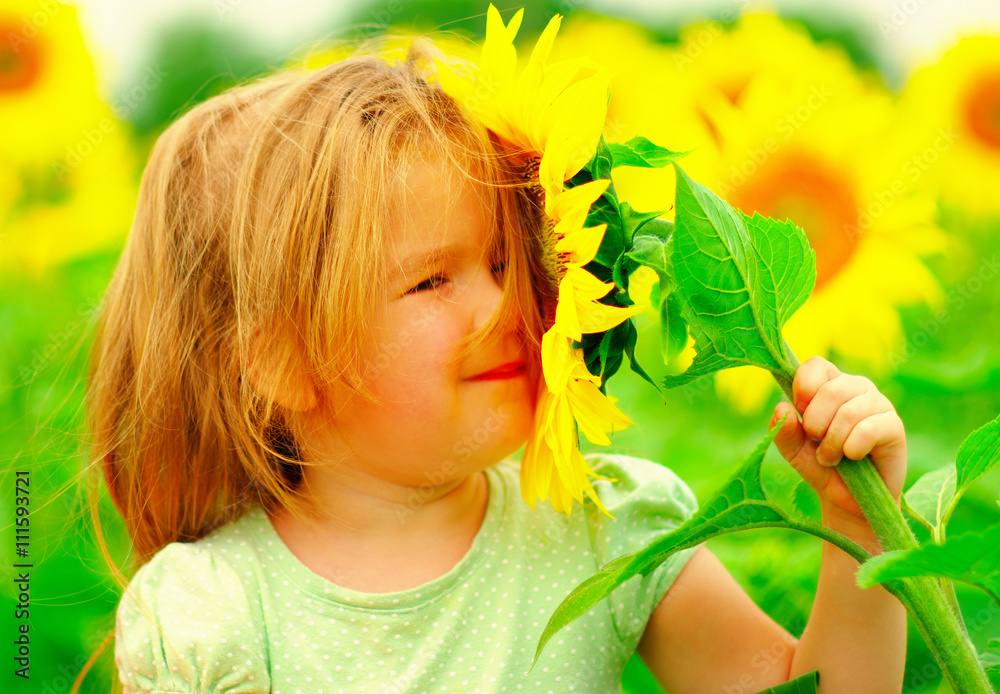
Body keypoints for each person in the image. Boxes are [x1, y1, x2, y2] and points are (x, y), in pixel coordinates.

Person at [87, 38, 906, 694]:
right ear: (282, 362)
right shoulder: (215, 615)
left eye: (505, 265)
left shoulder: (605, 526)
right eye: (432, 280)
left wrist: (859, 531)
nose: (506, 309)